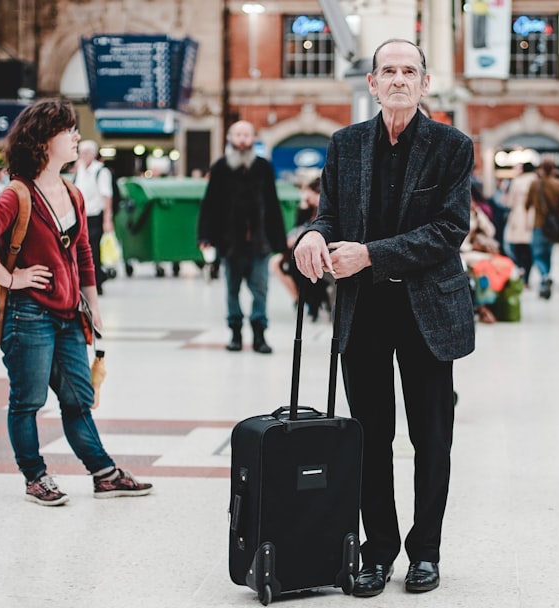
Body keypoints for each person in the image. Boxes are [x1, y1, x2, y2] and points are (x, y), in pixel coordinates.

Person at [292, 38, 474, 597]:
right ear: (371, 84)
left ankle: (426, 552)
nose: (398, 79)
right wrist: (313, 236)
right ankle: (378, 552)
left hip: (428, 311)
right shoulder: (345, 144)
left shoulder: (451, 146)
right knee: (370, 439)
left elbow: (448, 230)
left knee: (431, 440)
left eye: (408, 71)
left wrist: (371, 254)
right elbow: (330, 215)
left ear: (424, 83)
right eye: (388, 71)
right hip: (364, 310)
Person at [0, 99, 153, 506]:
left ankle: (104, 474)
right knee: (28, 401)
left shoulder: (72, 192)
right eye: (69, 131)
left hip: (69, 314)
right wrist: (12, 278)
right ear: (44, 140)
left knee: (78, 399)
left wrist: (93, 305)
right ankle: (35, 477)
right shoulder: (16, 195)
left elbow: (83, 252)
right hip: (27, 315)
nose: (77, 137)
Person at [197, 120, 287, 353]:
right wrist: (205, 236)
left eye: (247, 134)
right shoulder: (220, 167)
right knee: (232, 290)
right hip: (230, 242)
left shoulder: (263, 167)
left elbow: (273, 203)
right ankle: (235, 332)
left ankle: (259, 334)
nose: (242, 139)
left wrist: (279, 240)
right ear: (230, 138)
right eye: (238, 134)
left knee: (260, 290)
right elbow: (210, 205)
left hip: (259, 242)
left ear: (253, 138)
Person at [268, 176, 329, 320]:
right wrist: (303, 207)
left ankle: (310, 302)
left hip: (320, 250)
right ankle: (299, 300)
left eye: (308, 193)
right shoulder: (308, 209)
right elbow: (296, 227)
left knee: (297, 266)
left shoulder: (325, 210)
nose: (306, 196)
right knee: (277, 263)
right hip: (300, 248)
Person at [73, 140, 115, 295]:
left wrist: (107, 219)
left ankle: (97, 281)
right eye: (81, 153)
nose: (82, 156)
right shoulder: (80, 169)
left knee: (93, 250)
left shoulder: (101, 171)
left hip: (96, 216)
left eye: (86, 153)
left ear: (94, 154)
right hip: (81, 216)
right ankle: (85, 281)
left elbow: (106, 196)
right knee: (82, 249)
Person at [526, 158, 559, 299]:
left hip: (539, 224)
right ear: (553, 169)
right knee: (548, 254)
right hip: (553, 226)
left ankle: (544, 276)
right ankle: (546, 279)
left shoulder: (535, 184)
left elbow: (527, 203)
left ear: (541, 169)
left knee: (537, 255)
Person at [502, 162, 536, 285]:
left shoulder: (517, 182)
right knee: (530, 249)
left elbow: (510, 202)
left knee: (517, 247)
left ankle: (521, 270)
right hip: (533, 217)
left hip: (518, 216)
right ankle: (527, 277)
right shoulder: (536, 181)